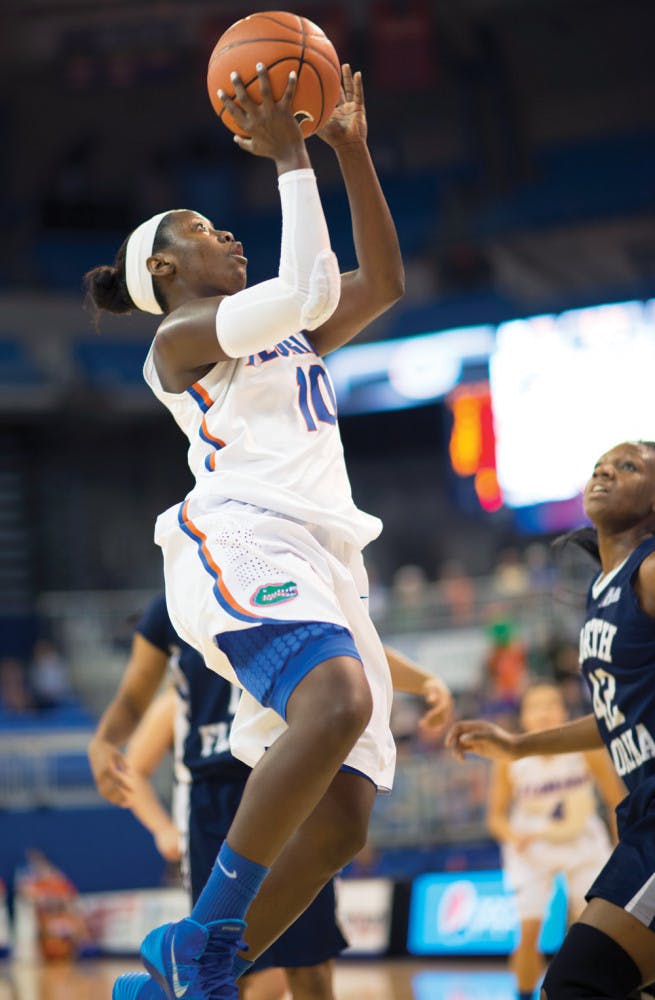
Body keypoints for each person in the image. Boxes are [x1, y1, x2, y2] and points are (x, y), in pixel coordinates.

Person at [83, 64, 428, 1000]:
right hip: (238, 535)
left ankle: (172, 979)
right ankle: (209, 941)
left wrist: (348, 151)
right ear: (162, 271)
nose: (224, 232)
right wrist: (289, 158)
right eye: (201, 230)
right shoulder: (179, 340)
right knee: (336, 702)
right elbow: (310, 282)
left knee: (348, 818)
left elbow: (384, 280)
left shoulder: (286, 337)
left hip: (326, 558)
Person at [89, 594, 452, 1000]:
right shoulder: (172, 605)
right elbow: (134, 696)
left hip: (286, 777)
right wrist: (106, 742)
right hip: (213, 794)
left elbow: (352, 645)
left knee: (310, 964)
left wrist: (423, 681)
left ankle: (156, 994)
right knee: (219, 969)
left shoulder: (283, 573)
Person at [448, 441, 655, 999]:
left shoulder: (652, 569)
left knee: (576, 982)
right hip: (641, 814)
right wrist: (518, 747)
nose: (606, 471)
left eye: (629, 466)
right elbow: (616, 717)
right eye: (599, 466)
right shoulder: (603, 588)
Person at [487, 682, 624, 1000]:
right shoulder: (509, 757)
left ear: (564, 710)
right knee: (529, 933)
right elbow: (495, 817)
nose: (544, 712)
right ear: (524, 716)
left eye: (551, 704)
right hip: (532, 847)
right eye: (536, 706)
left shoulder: (587, 748)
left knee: (591, 932)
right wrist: (511, 835)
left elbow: (616, 801)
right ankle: (523, 994)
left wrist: (622, 850)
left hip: (583, 843)